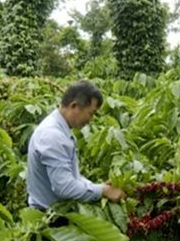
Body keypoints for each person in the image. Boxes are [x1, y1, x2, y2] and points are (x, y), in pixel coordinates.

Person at [26, 80, 126, 211]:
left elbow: (71, 176)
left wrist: (99, 187)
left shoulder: (61, 129)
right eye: (91, 113)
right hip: (47, 219)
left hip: (54, 212)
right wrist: (103, 191)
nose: (90, 120)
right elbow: (64, 187)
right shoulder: (52, 135)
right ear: (74, 106)